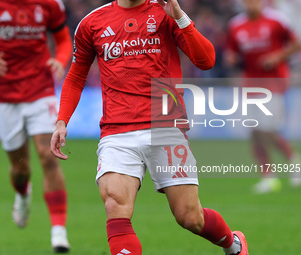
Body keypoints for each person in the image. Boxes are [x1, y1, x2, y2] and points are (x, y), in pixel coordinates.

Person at [51, 0, 249, 254]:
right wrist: (61, 120)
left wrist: (179, 16)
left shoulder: (166, 12)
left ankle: (233, 243)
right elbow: (76, 74)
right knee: (115, 205)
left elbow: (207, 60)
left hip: (165, 126)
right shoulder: (92, 22)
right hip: (117, 131)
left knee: (189, 217)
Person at [0, 0, 73, 252]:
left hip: (40, 90)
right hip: (4, 96)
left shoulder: (51, 4)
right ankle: (23, 194)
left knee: (48, 156)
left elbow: (63, 39)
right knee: (19, 168)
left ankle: (59, 231)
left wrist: (61, 59)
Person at [226, 0, 301, 194]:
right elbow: (232, 52)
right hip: (250, 84)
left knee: (268, 129)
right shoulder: (235, 25)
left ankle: (294, 162)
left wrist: (277, 56)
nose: (251, 4)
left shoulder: (276, 21)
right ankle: (268, 176)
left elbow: (295, 44)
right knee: (254, 130)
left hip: (274, 83)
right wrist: (230, 59)